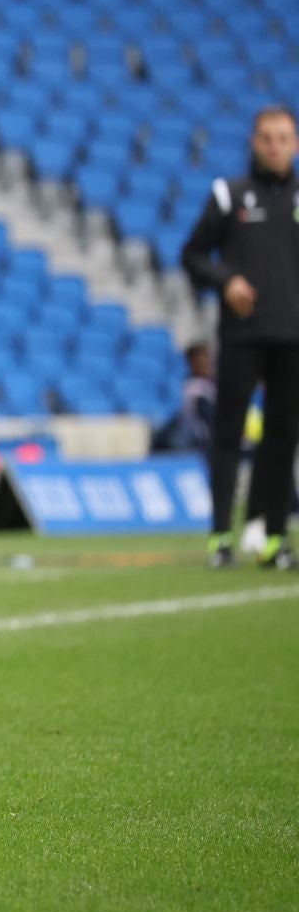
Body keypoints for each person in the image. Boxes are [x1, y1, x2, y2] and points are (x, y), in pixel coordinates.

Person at [180, 103, 299, 570]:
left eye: (284, 137)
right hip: (243, 336)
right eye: (267, 137)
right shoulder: (230, 195)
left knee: (282, 438)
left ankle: (273, 537)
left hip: (292, 337)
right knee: (227, 434)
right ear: (254, 142)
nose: (275, 146)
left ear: (294, 143)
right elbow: (191, 254)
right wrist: (225, 279)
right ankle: (220, 537)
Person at [152, 343, 217, 455]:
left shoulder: (207, 386)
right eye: (202, 360)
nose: (207, 364)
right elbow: (208, 417)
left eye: (208, 359)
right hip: (189, 448)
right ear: (191, 363)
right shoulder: (195, 388)